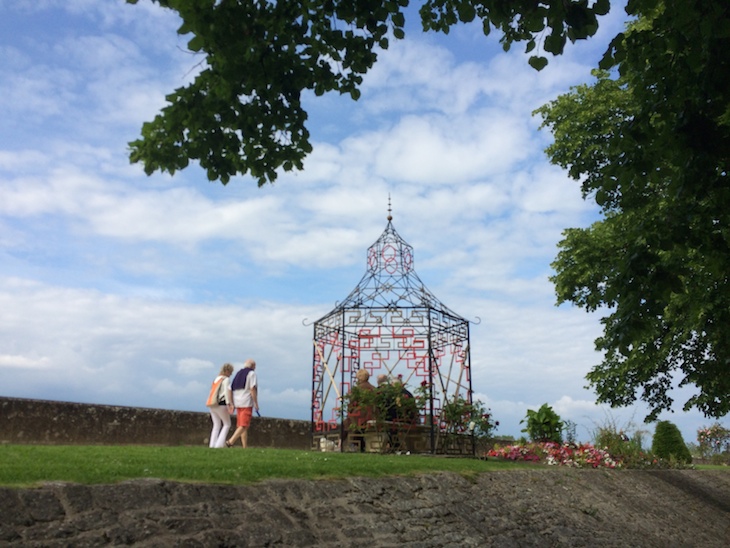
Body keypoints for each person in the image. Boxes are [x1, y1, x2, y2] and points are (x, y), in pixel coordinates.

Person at [226, 359, 259, 448]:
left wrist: (231, 403)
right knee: (244, 425)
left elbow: (229, 389)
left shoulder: (238, 374)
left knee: (241, 425)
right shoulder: (251, 374)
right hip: (246, 402)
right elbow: (252, 389)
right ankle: (230, 442)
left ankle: (245, 447)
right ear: (253, 366)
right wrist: (256, 403)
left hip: (237, 402)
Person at [206, 363, 234, 448]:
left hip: (212, 404)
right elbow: (226, 392)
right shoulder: (226, 380)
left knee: (216, 425)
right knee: (227, 424)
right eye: (230, 372)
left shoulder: (216, 379)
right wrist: (230, 404)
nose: (231, 374)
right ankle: (219, 445)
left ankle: (212, 445)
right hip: (221, 404)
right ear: (226, 371)